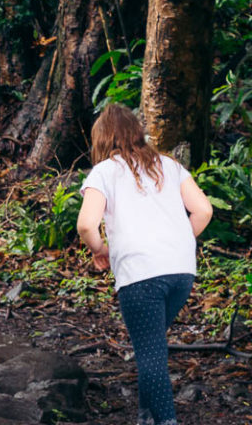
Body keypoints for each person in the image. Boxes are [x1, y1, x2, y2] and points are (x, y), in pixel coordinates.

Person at [77, 104, 214, 425]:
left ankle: (166, 421)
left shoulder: (105, 171)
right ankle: (146, 415)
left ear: (101, 139)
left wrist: (101, 250)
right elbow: (204, 211)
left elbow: (86, 225)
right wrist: (180, 240)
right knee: (150, 345)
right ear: (136, 132)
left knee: (151, 354)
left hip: (141, 274)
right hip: (182, 271)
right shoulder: (168, 164)